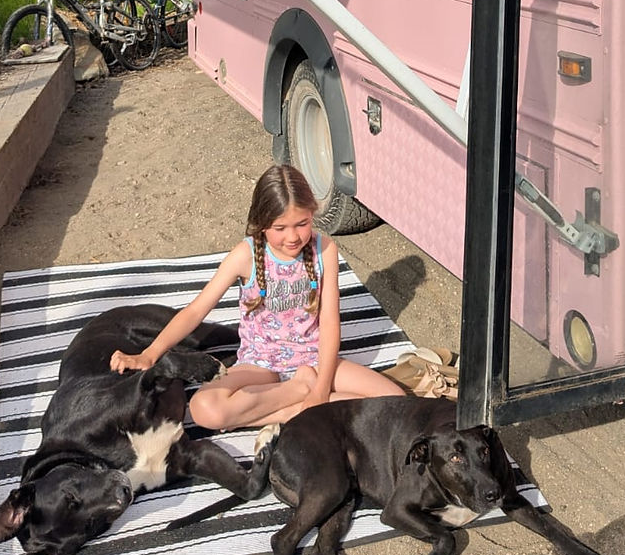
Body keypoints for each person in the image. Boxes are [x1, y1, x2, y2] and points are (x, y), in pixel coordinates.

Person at [109, 163, 404, 428]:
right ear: (263, 224)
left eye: (302, 224)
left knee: (396, 399)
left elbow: (329, 323)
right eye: (280, 228)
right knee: (204, 408)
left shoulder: (324, 249)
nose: (293, 237)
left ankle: (310, 403)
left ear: (313, 213)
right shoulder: (246, 255)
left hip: (314, 359)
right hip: (260, 363)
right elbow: (195, 312)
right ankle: (299, 404)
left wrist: (322, 388)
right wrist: (149, 355)